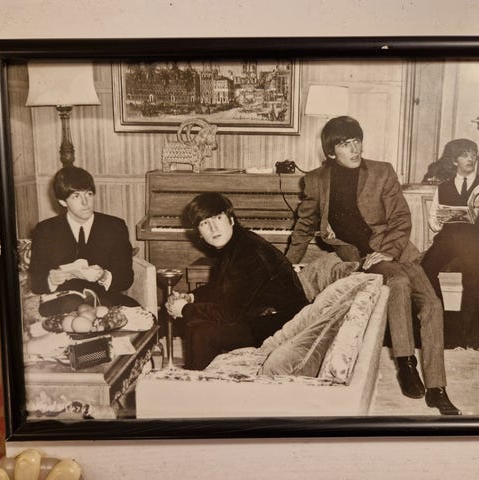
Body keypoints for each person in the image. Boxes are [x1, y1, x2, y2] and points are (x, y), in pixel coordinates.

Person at [286, 115, 460, 415]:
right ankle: (406, 363)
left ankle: (437, 389)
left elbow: (401, 218)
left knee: (432, 304)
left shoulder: (382, 171)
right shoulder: (315, 180)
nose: (354, 149)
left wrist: (390, 252)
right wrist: (286, 265)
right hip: (361, 256)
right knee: (399, 282)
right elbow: (304, 226)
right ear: (331, 152)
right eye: (345, 144)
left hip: (395, 252)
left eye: (357, 141)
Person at [166, 192, 308, 370]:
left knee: (202, 332)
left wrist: (184, 309)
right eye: (204, 223)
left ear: (231, 220)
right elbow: (220, 288)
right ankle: (203, 376)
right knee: (197, 323)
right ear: (199, 233)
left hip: (284, 324)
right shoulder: (235, 243)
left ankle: (200, 382)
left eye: (218, 218)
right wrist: (191, 297)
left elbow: (230, 312)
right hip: (262, 315)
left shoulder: (249, 252)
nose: (213, 228)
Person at [29, 166, 138, 314]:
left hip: (105, 299)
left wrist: (104, 276)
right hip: (62, 302)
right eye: (76, 196)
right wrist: (51, 279)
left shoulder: (115, 226)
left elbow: (126, 279)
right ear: (62, 201)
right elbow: (35, 283)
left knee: (145, 317)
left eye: (89, 194)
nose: (85, 202)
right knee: (76, 311)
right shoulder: (45, 230)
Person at [421, 139, 479, 347]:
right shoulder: (443, 187)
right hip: (448, 240)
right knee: (425, 269)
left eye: (473, 154)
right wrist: (440, 220)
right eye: (465, 155)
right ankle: (447, 322)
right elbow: (433, 220)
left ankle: (470, 334)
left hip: (474, 241)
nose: (470, 158)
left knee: (474, 276)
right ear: (455, 161)